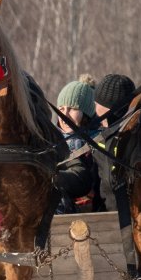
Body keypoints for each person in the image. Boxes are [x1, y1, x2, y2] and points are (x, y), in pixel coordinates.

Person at [52, 75, 101, 213]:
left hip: (92, 211)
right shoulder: (49, 139)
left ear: (87, 113)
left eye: (72, 108)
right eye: (61, 109)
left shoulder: (99, 139)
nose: (65, 115)